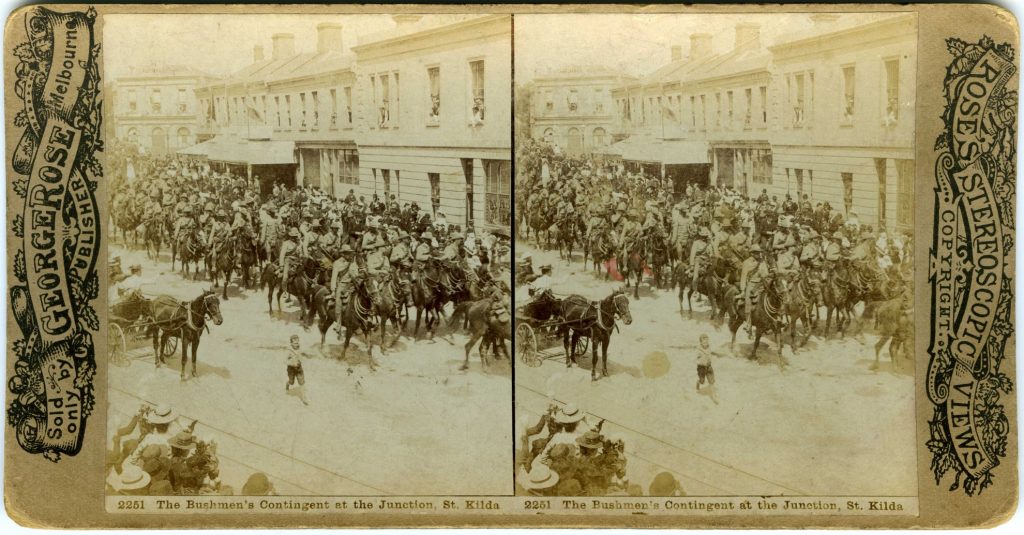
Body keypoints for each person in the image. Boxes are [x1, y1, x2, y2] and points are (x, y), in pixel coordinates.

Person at [331, 244, 359, 337]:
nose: (349, 255)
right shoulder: (337, 263)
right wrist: (333, 290)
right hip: (342, 286)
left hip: (352, 285)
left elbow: (356, 275)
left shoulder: (352, 263)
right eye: (347, 253)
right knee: (338, 304)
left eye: (350, 253)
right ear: (342, 254)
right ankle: (338, 324)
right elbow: (334, 277)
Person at [285, 334, 310, 405]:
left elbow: (301, 356)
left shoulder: (300, 348)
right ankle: (287, 383)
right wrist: (292, 363)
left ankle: (304, 398)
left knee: (302, 383)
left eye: (298, 342)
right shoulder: (289, 351)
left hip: (299, 368)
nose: (297, 344)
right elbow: (285, 361)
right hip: (291, 369)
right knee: (291, 382)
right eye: (295, 343)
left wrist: (302, 359)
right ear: (291, 343)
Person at [695, 333, 719, 404]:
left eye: (707, 341)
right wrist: (700, 361)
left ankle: (714, 398)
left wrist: (711, 359)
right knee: (702, 381)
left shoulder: (709, 347)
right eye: (704, 342)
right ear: (701, 342)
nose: (706, 343)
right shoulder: (698, 349)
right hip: (701, 368)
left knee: (711, 382)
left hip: (709, 367)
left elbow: (711, 355)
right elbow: (695, 359)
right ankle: (698, 382)